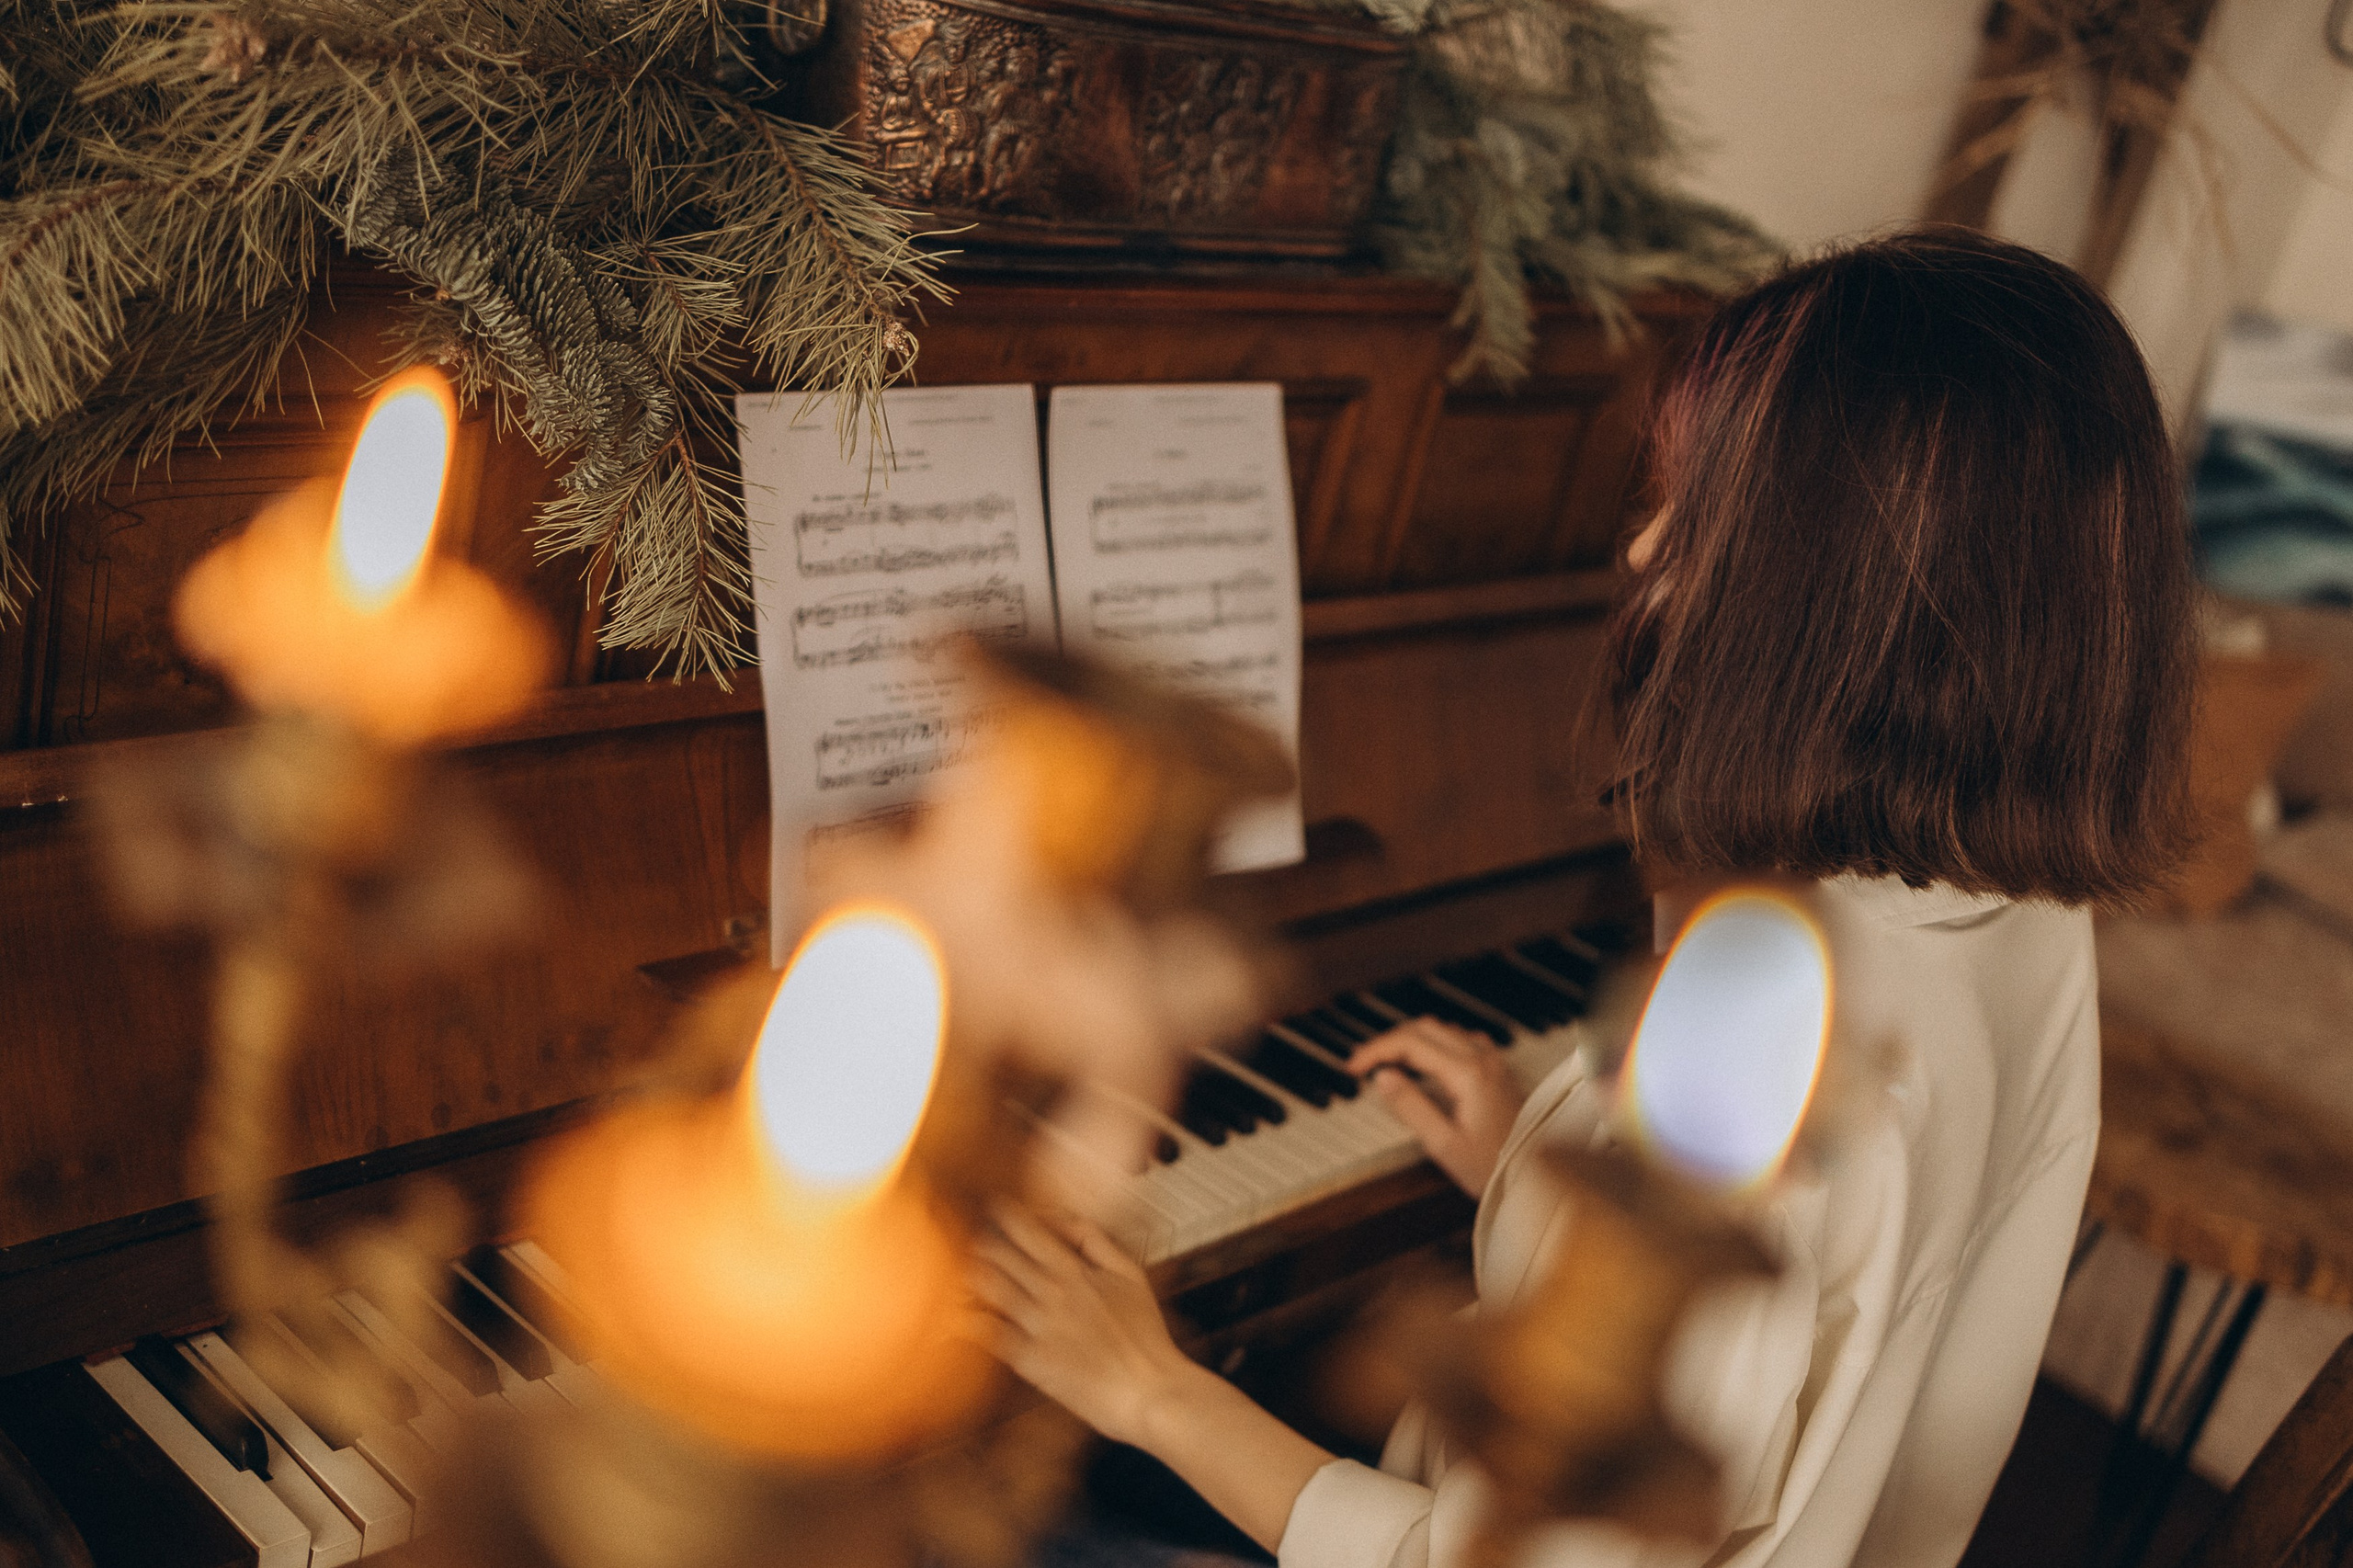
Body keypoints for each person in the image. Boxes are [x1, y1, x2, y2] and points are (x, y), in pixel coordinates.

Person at [971, 227, 2200, 1568]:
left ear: (1830, 595)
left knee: (989, 1503)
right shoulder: (2018, 904)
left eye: (1703, 505)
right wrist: (1543, 1186)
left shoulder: (1760, 1018)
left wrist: (1152, 1388)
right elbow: (1829, 1305)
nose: (1644, 551)